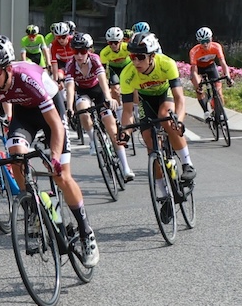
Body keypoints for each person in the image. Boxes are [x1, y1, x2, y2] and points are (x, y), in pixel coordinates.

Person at [0, 36, 100, 267]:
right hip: (24, 114)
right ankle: (33, 211)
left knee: (61, 175)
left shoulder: (27, 78)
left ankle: (86, 233)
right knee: (16, 155)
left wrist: (53, 157)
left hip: (50, 110)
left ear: (6, 69)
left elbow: (54, 125)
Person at [118, 32, 196, 222]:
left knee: (165, 118)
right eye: (132, 57)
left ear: (152, 56)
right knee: (150, 142)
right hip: (146, 101)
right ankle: (163, 197)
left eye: (141, 57)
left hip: (165, 95)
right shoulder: (127, 75)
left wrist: (180, 120)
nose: (136, 61)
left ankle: (187, 163)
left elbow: (179, 99)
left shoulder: (166, 63)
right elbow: (128, 111)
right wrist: (125, 133)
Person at [61, 32, 134, 182]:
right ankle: (93, 139)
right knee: (82, 109)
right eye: (76, 52)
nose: (79, 55)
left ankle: (126, 167)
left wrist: (108, 97)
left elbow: (102, 80)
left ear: (89, 51)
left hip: (99, 91)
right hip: (83, 92)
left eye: (83, 52)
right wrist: (69, 107)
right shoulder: (70, 65)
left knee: (112, 128)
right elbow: (69, 88)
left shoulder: (95, 60)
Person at [188, 26, 232, 120]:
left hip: (210, 66)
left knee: (219, 92)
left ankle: (217, 110)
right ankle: (206, 111)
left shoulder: (216, 47)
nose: (205, 44)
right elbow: (194, 71)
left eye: (207, 40)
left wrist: (227, 76)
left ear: (211, 38)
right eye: (202, 42)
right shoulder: (194, 51)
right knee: (198, 89)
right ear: (199, 42)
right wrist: (198, 84)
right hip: (198, 69)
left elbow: (223, 63)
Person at [99, 26, 131, 105]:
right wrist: (105, 79)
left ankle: (136, 109)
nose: (113, 45)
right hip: (114, 69)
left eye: (116, 42)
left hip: (127, 67)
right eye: (110, 43)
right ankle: (119, 110)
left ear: (121, 41)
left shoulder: (127, 47)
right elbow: (102, 69)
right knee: (115, 90)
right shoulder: (104, 53)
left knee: (133, 88)